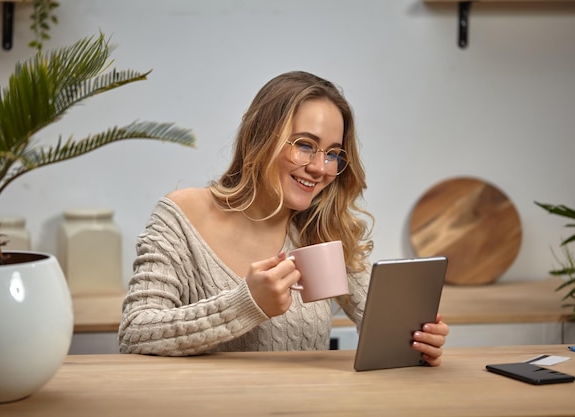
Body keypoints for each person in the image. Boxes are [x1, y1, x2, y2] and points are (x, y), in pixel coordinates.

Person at [118, 71, 449, 365]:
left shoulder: (319, 230)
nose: (321, 168)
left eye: (333, 153)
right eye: (305, 145)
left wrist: (416, 341)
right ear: (260, 137)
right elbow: (135, 332)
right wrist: (246, 303)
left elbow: (384, 326)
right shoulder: (182, 217)